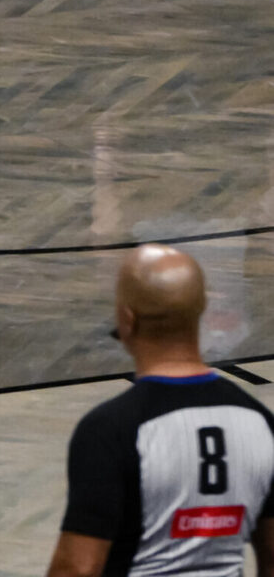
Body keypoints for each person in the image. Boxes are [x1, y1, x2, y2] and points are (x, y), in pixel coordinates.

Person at [46, 244, 274, 577]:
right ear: (201, 311)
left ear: (127, 319)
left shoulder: (110, 430)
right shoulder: (259, 421)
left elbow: (78, 568)